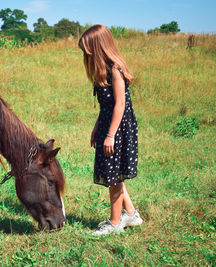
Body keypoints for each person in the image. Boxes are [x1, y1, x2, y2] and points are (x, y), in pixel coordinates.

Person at [78, 24, 143, 235]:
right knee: (114, 174)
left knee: (113, 177)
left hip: (119, 130)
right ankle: (131, 213)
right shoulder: (102, 73)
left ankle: (115, 224)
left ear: (99, 47)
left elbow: (120, 105)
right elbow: (105, 107)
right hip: (108, 125)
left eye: (88, 51)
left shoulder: (115, 70)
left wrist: (110, 135)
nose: (86, 56)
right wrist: (97, 128)